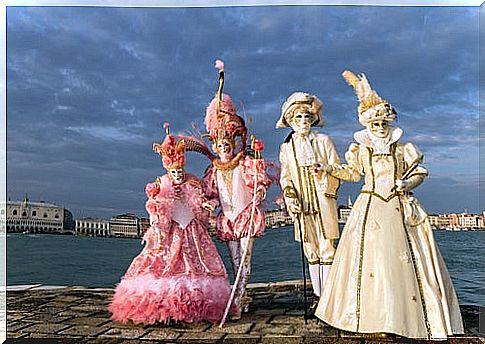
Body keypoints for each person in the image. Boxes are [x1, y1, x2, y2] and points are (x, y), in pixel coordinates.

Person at [315, 71, 464, 339]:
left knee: (399, 262)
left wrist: (406, 185)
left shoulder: (403, 149)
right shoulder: (360, 149)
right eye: (375, 123)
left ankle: (402, 319)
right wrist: (327, 169)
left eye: (383, 122)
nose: (380, 126)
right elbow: (353, 173)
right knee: (370, 264)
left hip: (397, 207)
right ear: (367, 125)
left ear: (388, 121)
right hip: (369, 206)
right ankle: (369, 318)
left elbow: (419, 173)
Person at [108, 124, 231, 324]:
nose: (178, 175)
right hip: (172, 230)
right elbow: (156, 210)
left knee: (198, 264)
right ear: (168, 171)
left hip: (192, 230)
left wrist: (208, 204)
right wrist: (159, 215)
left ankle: (197, 306)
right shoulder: (161, 187)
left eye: (180, 171)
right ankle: (165, 307)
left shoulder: (193, 183)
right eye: (174, 172)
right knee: (165, 263)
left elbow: (203, 202)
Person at [202, 60, 271, 320]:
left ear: (232, 143)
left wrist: (261, 191)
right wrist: (208, 205)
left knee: (246, 259)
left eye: (227, 144)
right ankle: (241, 294)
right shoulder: (214, 171)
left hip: (246, 213)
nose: (224, 148)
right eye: (220, 145)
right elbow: (209, 194)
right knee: (234, 261)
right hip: (228, 219)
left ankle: (239, 299)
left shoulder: (246, 163)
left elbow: (258, 183)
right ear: (216, 147)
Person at [276, 92, 341, 313]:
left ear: (312, 119)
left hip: (322, 201)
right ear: (291, 122)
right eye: (298, 118)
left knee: (327, 248)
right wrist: (290, 197)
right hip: (302, 207)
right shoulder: (286, 147)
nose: (303, 121)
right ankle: (318, 296)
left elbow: (338, 169)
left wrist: (325, 174)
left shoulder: (323, 141)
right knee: (310, 249)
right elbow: (285, 177)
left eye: (306, 117)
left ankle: (330, 298)